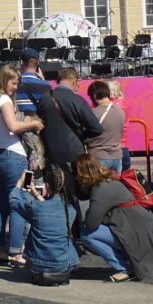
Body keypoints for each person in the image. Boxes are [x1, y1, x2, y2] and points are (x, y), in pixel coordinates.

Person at [72, 154, 153, 282]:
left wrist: (88, 213)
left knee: (87, 235)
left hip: (140, 236)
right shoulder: (109, 180)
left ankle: (124, 268)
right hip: (146, 232)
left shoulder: (100, 190)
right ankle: (127, 261)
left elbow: (92, 223)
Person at [0, 65, 43, 264]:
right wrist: (32, 124)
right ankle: (16, 250)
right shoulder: (4, 100)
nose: (15, 87)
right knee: (21, 202)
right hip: (16, 158)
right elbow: (13, 126)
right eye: (13, 83)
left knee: (1, 205)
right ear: (4, 80)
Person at [35, 68, 103, 203]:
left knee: (56, 191)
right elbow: (96, 128)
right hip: (74, 153)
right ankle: (76, 222)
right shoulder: (76, 99)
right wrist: (81, 135)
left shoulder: (45, 98)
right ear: (74, 81)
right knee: (75, 194)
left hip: (52, 154)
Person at [8, 164, 78, 286]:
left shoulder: (36, 208)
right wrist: (36, 194)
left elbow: (13, 200)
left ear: (46, 185)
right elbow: (51, 211)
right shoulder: (70, 210)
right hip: (63, 265)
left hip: (37, 265)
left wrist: (20, 182)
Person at [86, 80, 126, 173]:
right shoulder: (119, 111)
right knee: (115, 185)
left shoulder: (94, 113)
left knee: (100, 186)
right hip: (117, 156)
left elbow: (87, 136)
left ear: (95, 95)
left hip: (99, 156)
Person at [15, 48, 51, 116]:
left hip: (19, 124)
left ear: (21, 62)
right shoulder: (46, 86)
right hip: (38, 124)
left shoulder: (14, 84)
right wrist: (43, 80)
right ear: (38, 63)